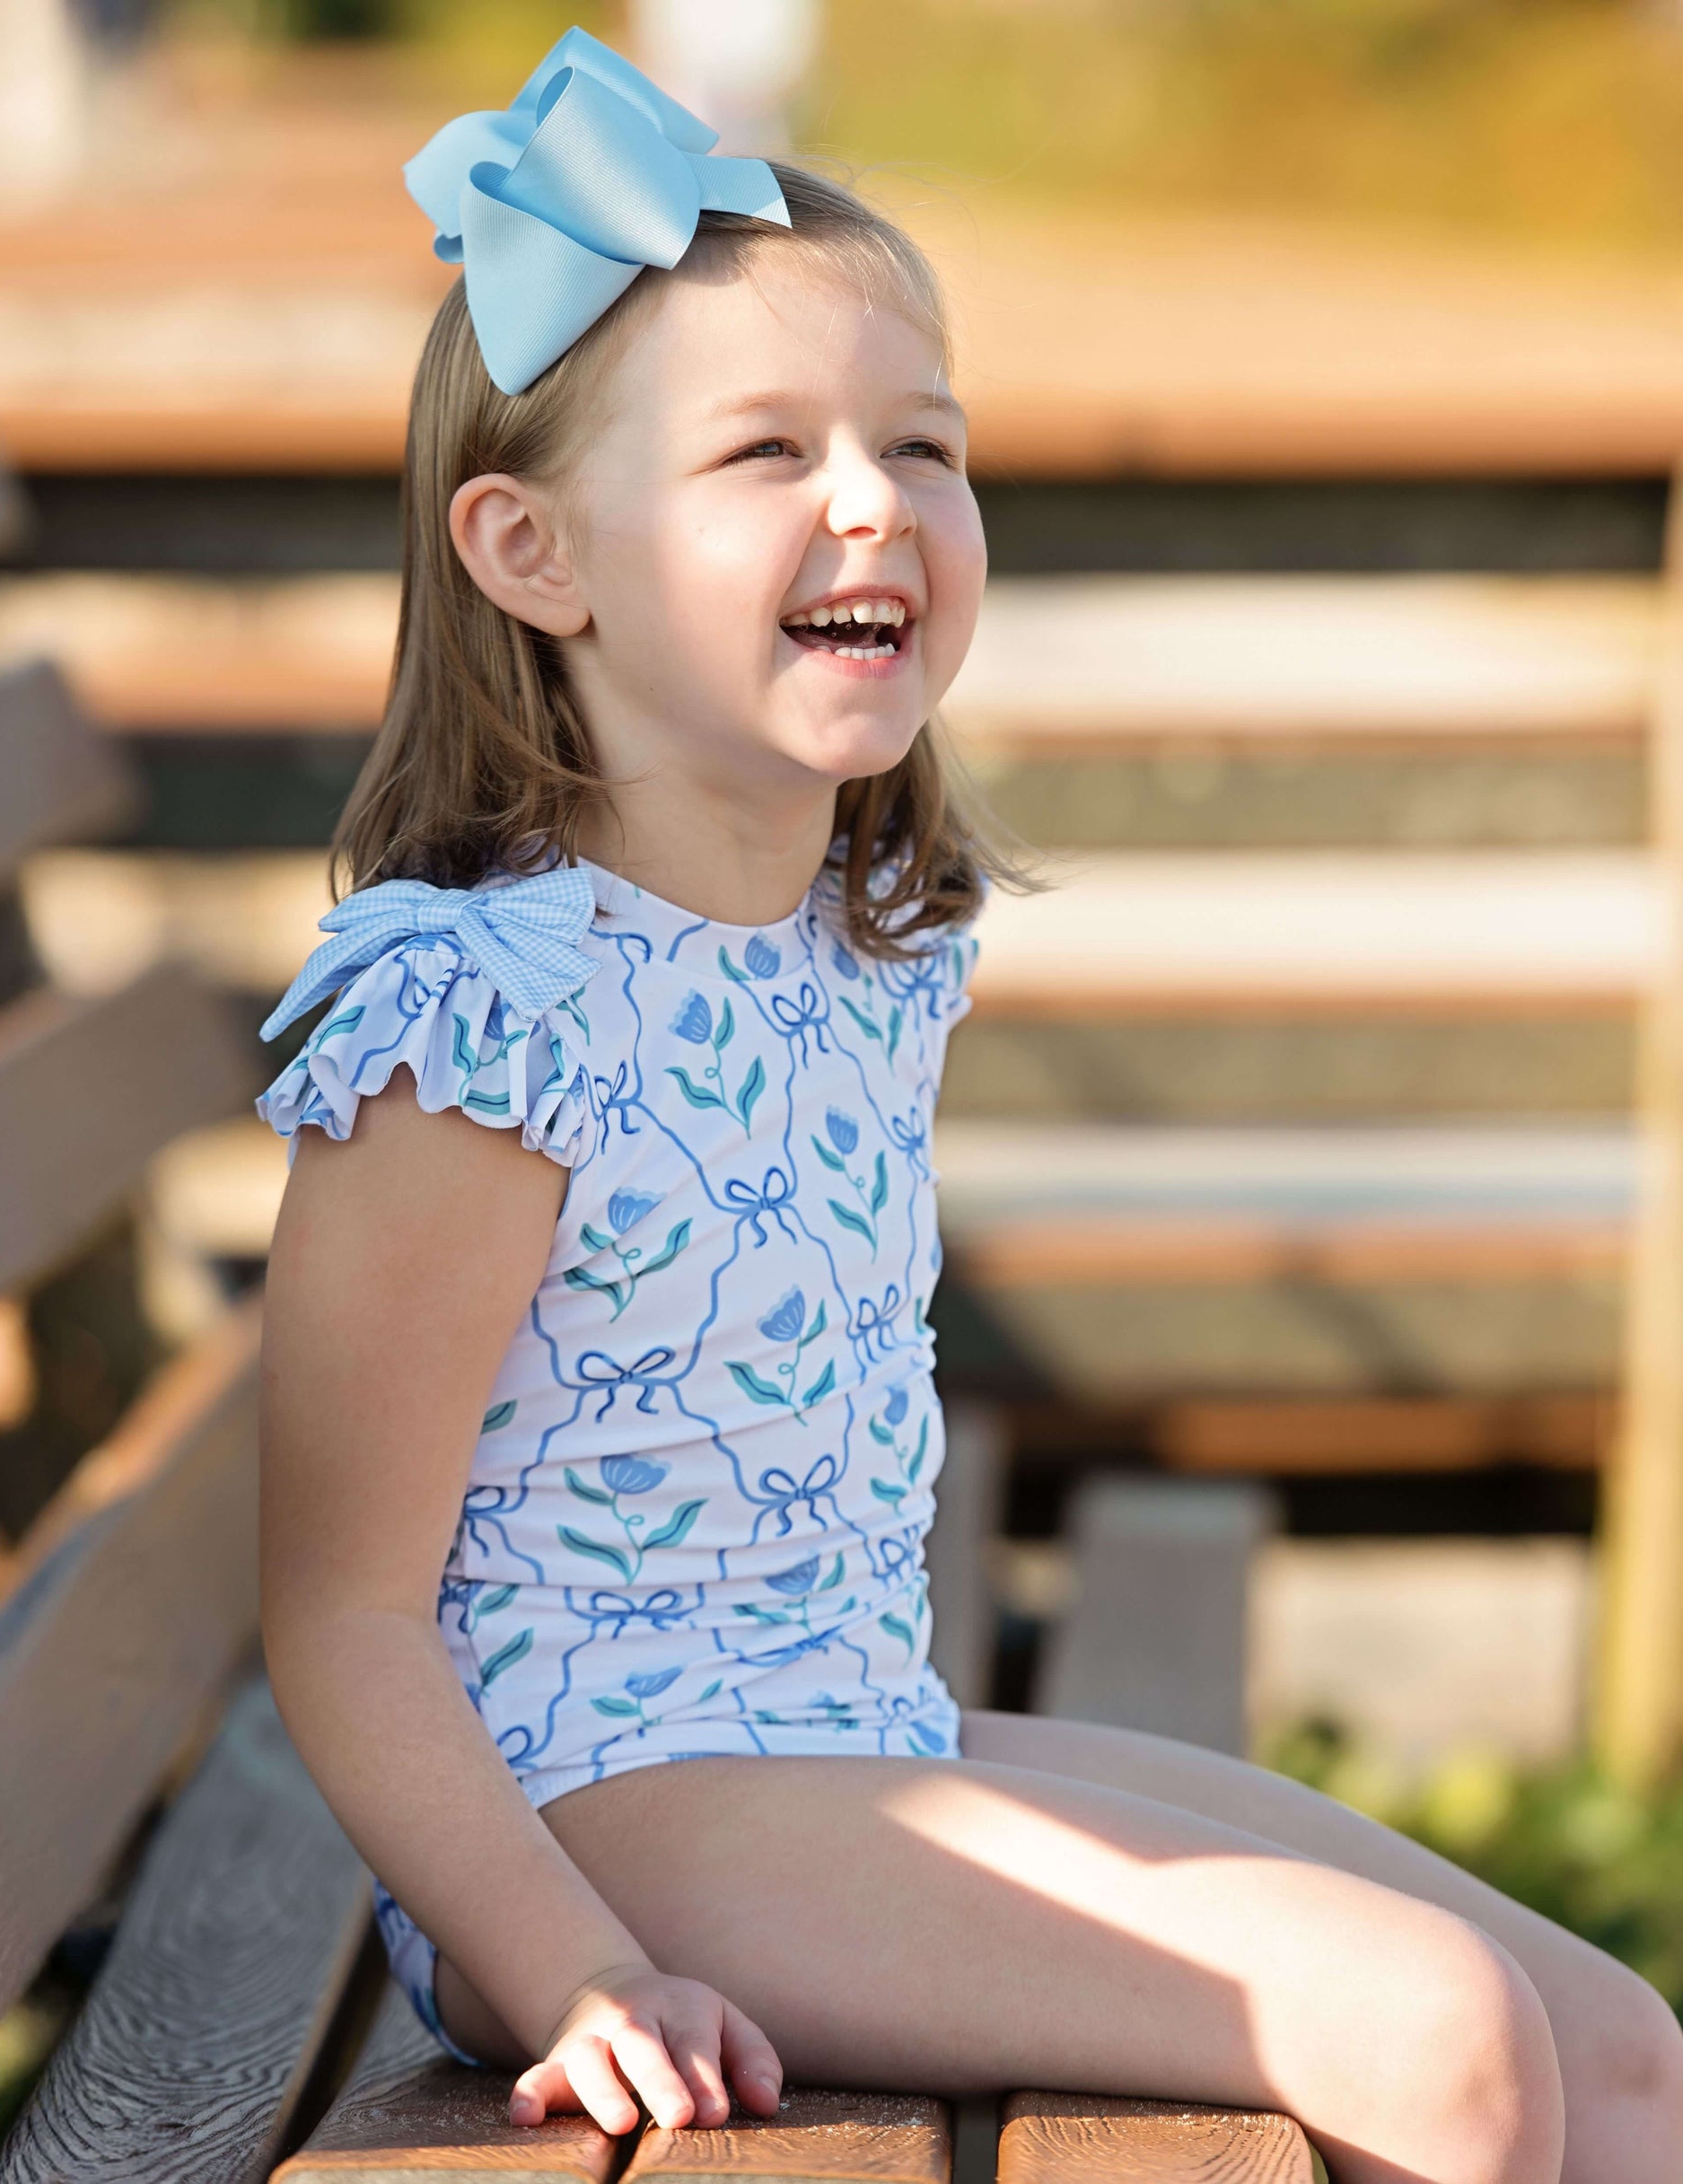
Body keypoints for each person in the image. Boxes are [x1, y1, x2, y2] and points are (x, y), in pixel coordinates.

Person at [253, 29, 1683, 2184]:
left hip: (849, 1737)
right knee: (1438, 2041)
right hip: (593, 1808)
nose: (874, 501)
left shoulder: (863, 948)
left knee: (1621, 2043)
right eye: (765, 452)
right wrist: (573, 1965)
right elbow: (340, 1617)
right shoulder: (479, 1024)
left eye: (922, 442)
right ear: (533, 554)